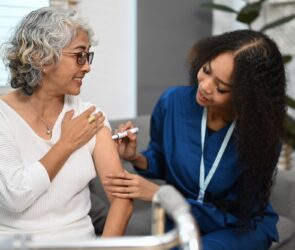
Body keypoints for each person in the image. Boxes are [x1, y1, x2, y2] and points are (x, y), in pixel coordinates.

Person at [103, 29, 286, 250]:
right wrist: (136, 157)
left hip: (234, 227)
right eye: (206, 70)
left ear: (245, 96)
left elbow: (238, 215)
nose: (205, 86)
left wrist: (158, 194)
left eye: (221, 88)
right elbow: (161, 159)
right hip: (181, 219)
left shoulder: (260, 136)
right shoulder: (173, 102)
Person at [0, 7, 133, 241]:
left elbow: (122, 199)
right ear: (41, 57)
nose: (87, 66)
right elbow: (15, 197)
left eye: (88, 56)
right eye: (79, 55)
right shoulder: (3, 115)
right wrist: (66, 144)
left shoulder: (90, 117)